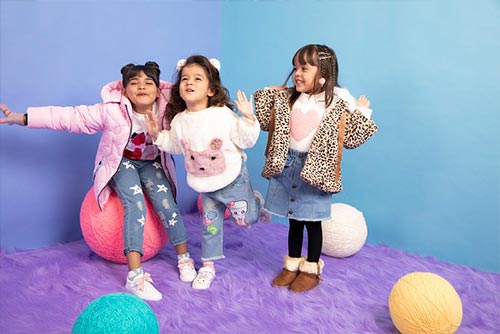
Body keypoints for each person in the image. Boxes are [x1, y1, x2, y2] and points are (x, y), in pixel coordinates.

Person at [0, 61, 197, 301]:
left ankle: (184, 258)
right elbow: (69, 117)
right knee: (135, 206)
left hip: (152, 162)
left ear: (158, 90)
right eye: (134, 83)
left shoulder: (168, 109)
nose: (142, 87)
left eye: (148, 82)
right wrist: (22, 118)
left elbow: (198, 109)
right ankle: (135, 276)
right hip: (121, 162)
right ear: (124, 91)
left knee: (167, 205)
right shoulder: (112, 111)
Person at [254, 44, 378, 293]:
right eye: (295, 68)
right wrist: (271, 91)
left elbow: (353, 138)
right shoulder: (289, 98)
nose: (297, 73)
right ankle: (292, 265)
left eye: (304, 68)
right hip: (287, 164)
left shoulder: (337, 102)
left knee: (312, 221)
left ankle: (311, 268)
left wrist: (362, 111)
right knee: (294, 221)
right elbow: (265, 120)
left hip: (316, 170)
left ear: (323, 72)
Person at [146, 55, 268, 290]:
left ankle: (254, 202)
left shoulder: (222, 114)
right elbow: (174, 144)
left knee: (246, 220)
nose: (189, 83)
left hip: (233, 180)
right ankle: (208, 267)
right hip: (206, 187)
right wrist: (156, 136)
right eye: (184, 79)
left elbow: (245, 140)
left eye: (197, 79)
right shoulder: (180, 120)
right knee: (210, 227)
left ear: (211, 90)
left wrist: (249, 118)